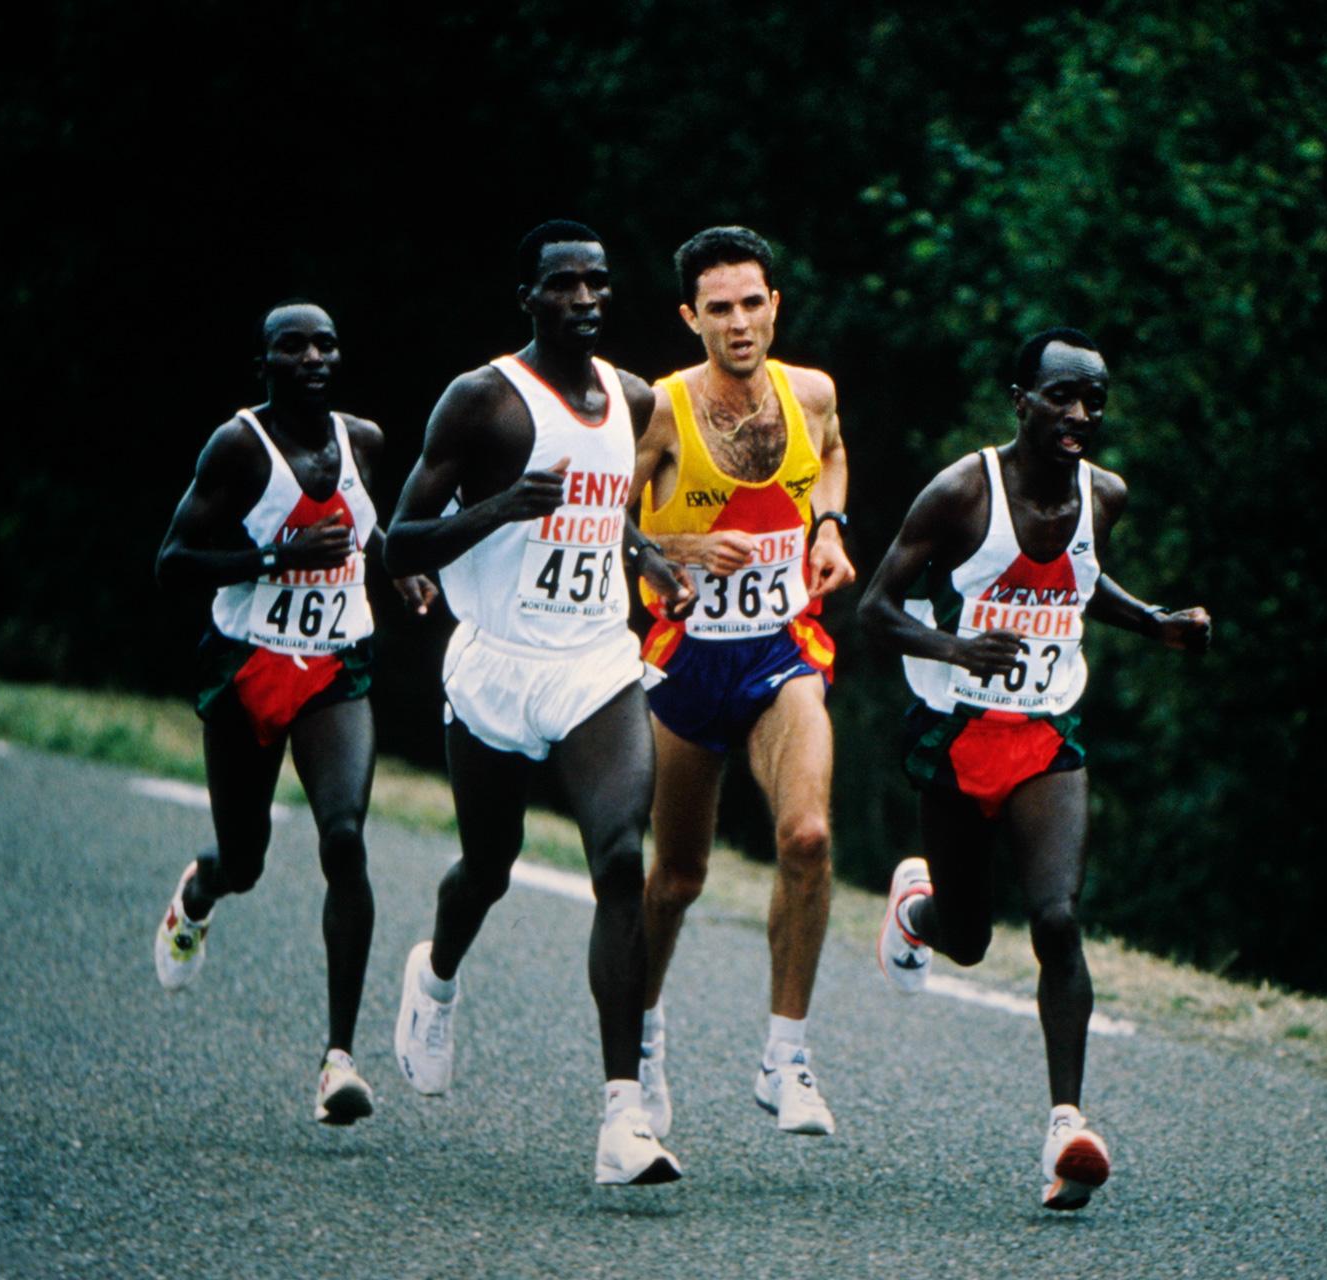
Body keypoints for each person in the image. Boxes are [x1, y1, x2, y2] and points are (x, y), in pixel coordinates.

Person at [858, 328, 1211, 1210]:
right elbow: (873, 607)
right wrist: (954, 646)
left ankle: (1067, 1128)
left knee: (1056, 917)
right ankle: (917, 906)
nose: (1080, 415)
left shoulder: (1107, 494)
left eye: (1094, 400)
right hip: (956, 728)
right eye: (1061, 396)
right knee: (970, 938)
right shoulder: (961, 492)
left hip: (1047, 732)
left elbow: (1082, 579)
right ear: (1020, 399)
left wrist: (1156, 622)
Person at [383, 220, 696, 1186]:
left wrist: (648, 558)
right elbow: (398, 544)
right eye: (564, 284)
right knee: (490, 864)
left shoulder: (634, 399)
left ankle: (620, 1119)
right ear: (528, 296)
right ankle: (434, 978)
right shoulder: (482, 400)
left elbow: (609, 521)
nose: (586, 299)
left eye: (598, 283)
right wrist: (501, 507)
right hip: (497, 662)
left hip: (594, 662)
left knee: (619, 857)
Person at [153, 300, 437, 1125]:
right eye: (293, 346)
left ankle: (338, 1061)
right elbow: (173, 562)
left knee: (344, 837)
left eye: (325, 343)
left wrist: (403, 572)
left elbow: (372, 533)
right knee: (246, 860)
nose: (313, 356)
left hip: (334, 668)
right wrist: (273, 556)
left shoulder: (366, 442)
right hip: (246, 666)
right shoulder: (239, 447)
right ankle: (201, 893)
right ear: (265, 361)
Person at [630, 226, 855, 1139]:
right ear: (691, 317)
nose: (737, 323)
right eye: (716, 308)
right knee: (679, 877)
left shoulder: (811, 394)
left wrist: (829, 527)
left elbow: (833, 454)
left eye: (750, 303)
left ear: (774, 305)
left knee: (805, 836)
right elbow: (598, 525)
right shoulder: (658, 410)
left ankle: (786, 1056)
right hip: (686, 661)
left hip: (778, 650)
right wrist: (677, 548)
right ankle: (641, 1042)